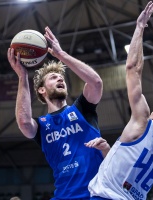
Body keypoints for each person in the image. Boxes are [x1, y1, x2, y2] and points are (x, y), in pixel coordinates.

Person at [86, 1, 153, 199]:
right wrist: (107, 149)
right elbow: (126, 171)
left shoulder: (143, 122)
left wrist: (140, 27)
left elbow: (132, 69)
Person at [7, 26, 110, 200]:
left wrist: (62, 55)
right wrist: (22, 77)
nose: (60, 78)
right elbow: (24, 122)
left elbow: (96, 83)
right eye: (53, 77)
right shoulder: (41, 126)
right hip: (64, 196)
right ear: (41, 90)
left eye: (61, 77)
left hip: (95, 195)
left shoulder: (82, 109)